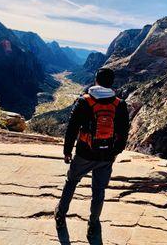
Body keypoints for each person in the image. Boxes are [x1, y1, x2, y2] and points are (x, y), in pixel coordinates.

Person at [54, 67, 129, 239]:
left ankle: (60, 214)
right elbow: (124, 133)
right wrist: (114, 152)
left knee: (71, 182)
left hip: (84, 153)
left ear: (96, 80)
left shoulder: (84, 101)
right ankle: (93, 223)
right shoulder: (120, 104)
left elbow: (72, 128)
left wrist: (67, 151)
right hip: (106, 156)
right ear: (112, 83)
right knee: (98, 191)